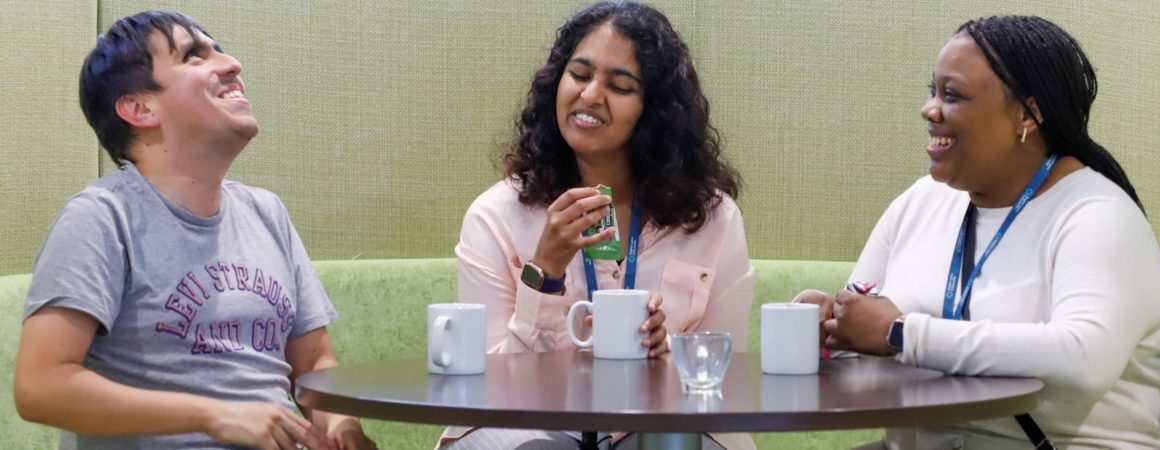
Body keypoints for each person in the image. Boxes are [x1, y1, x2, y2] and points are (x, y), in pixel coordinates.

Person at [796, 16, 1160, 449]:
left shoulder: (1097, 216)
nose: (929, 109)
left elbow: (1084, 359)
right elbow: (864, 342)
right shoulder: (921, 202)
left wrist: (902, 333)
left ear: (1028, 114)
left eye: (952, 95)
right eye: (932, 91)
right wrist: (827, 329)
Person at [12, 11, 375, 450]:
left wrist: (341, 426)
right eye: (194, 56)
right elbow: (41, 387)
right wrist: (211, 414)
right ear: (139, 108)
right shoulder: (101, 218)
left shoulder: (267, 212)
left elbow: (314, 360)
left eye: (219, 49)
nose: (231, 63)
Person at [444, 2, 754, 449]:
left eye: (619, 86)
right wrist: (544, 272)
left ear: (656, 110)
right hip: (524, 426)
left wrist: (669, 358)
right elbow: (486, 390)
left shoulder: (711, 218)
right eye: (580, 74)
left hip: (663, 426)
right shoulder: (496, 216)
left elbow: (729, 379)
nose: (590, 95)